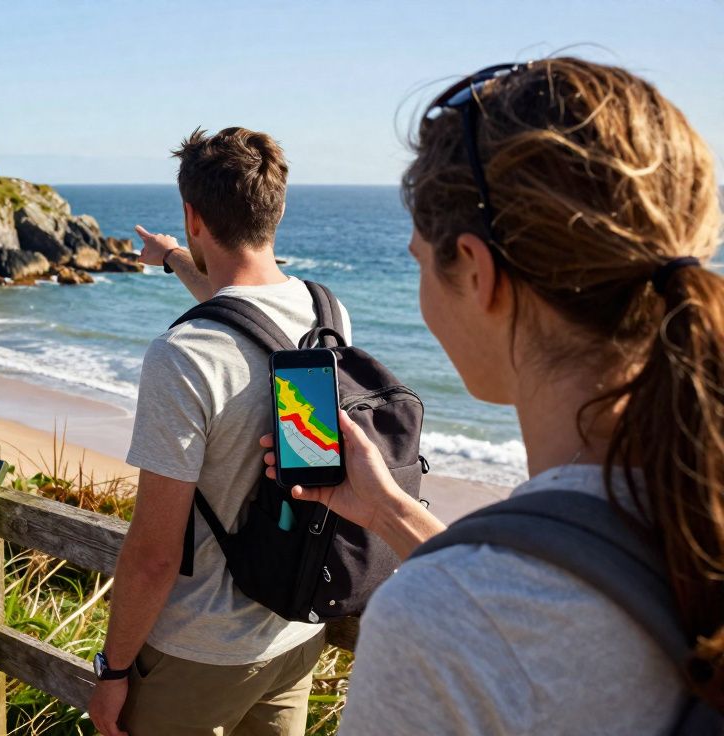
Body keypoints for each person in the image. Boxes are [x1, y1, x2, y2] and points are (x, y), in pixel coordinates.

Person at [258, 57, 723, 734]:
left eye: (421, 260)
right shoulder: (692, 502)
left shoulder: (441, 627)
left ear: (477, 272)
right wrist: (389, 509)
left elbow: (502, 628)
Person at [88, 127, 350, 736]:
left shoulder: (181, 356)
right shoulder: (326, 314)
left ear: (192, 214)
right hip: (294, 631)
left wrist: (113, 669)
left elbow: (154, 553)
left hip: (197, 653)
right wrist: (175, 257)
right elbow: (243, 312)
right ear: (278, 207)